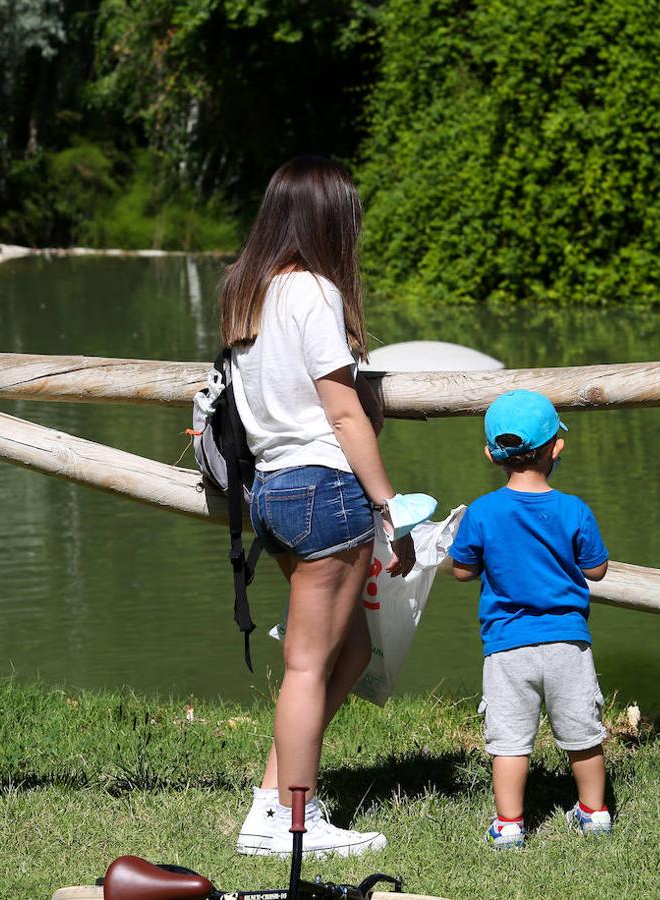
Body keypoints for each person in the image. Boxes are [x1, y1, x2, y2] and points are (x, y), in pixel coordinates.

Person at [223, 156, 415, 858]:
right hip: (326, 487)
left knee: (350, 648)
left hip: (272, 491)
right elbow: (343, 415)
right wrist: (389, 504)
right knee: (309, 664)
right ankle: (291, 827)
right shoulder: (314, 293)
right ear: (331, 221)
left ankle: (271, 801)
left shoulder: (247, 292)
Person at [448, 389, 613, 850]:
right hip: (567, 643)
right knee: (582, 734)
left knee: (510, 742)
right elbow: (596, 569)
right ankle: (595, 813)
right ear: (556, 447)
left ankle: (509, 824)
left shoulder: (482, 512)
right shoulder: (575, 510)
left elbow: (463, 570)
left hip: (507, 647)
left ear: (490, 454)